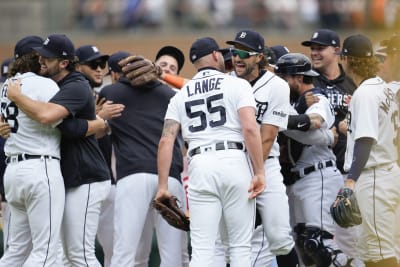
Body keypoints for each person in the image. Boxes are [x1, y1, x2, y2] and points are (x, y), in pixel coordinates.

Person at [154, 36, 265, 267]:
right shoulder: (237, 84)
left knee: (203, 249)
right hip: (233, 160)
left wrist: (163, 186)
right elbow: (250, 128)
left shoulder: (181, 94)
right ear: (216, 56)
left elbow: (166, 141)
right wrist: (260, 172)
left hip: (200, 164)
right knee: (239, 247)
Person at [4, 33, 111, 266]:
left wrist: (17, 98)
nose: (41, 61)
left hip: (86, 177)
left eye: (47, 58)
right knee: (61, 254)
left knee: (77, 254)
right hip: (60, 174)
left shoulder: (76, 84)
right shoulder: (48, 84)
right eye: (39, 57)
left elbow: (50, 118)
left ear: (63, 63)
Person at [98, 45, 186, 267]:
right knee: (172, 254)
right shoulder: (170, 94)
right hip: (169, 177)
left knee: (125, 251)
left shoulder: (111, 93)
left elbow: (100, 131)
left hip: (132, 177)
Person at [225, 29, 298, 267]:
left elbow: (267, 137)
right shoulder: (227, 82)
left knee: (279, 237)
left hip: (265, 165)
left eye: (243, 53)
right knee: (232, 241)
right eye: (234, 52)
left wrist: (255, 172)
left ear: (259, 57)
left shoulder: (276, 85)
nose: (237, 57)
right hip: (233, 165)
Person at [274, 52, 352, 267]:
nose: (279, 83)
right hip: (297, 181)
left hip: (318, 176)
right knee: (304, 250)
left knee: (320, 244)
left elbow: (313, 130)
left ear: (299, 77)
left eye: (283, 78)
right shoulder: (293, 103)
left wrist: (275, 121)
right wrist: (328, 136)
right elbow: (316, 135)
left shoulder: (318, 98)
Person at [0, 35, 65, 266]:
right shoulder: (44, 84)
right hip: (39, 167)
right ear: (36, 57)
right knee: (46, 251)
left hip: (13, 172)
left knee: (16, 251)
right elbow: (63, 123)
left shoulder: (6, 86)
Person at [301, 29, 361, 266]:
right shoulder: (308, 82)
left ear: (336, 50)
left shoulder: (352, 84)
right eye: (312, 48)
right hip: (319, 173)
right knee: (316, 244)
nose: (314, 52)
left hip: (347, 172)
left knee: (351, 242)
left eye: (320, 48)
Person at [340, 34, 400, 267]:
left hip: (374, 177)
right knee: (387, 248)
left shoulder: (364, 93)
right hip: (389, 172)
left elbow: (365, 140)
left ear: (347, 60)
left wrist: (351, 181)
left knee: (377, 254)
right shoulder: (383, 89)